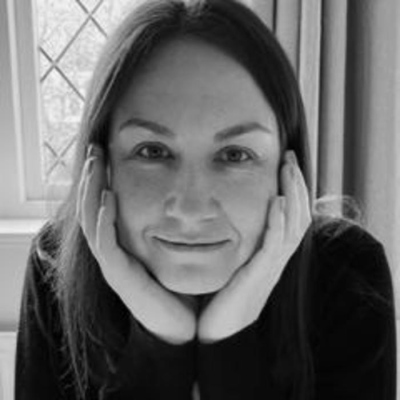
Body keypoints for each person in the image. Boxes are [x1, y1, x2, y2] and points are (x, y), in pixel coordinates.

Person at [15, 0, 396, 399]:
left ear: (287, 173)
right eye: (152, 151)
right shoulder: (54, 269)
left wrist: (229, 341)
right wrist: (161, 341)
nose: (191, 210)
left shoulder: (347, 272)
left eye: (235, 155)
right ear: (102, 166)